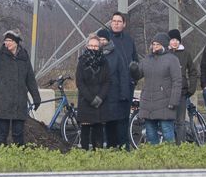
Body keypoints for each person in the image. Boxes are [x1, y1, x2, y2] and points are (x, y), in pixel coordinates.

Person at [0, 30, 41, 147]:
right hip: (2, 101)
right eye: (6, 40)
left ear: (16, 43)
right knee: (1, 135)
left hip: (19, 102)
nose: (7, 43)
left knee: (18, 135)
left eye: (10, 41)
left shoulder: (24, 57)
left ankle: (18, 161)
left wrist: (36, 96)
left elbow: (30, 78)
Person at [135, 33, 183, 145]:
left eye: (157, 44)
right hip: (148, 103)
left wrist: (173, 101)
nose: (154, 46)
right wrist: (133, 70)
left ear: (164, 45)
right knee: (150, 134)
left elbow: (177, 81)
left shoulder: (172, 59)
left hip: (165, 103)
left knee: (167, 132)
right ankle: (154, 158)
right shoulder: (147, 59)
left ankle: (170, 159)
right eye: (153, 44)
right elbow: (137, 75)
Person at [102, 11, 140, 149]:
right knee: (109, 119)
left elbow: (136, 60)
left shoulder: (129, 40)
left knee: (124, 118)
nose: (116, 23)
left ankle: (124, 147)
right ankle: (110, 147)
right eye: (114, 21)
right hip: (110, 87)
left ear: (124, 24)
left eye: (119, 21)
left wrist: (134, 79)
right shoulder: (105, 39)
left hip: (126, 86)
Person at [74, 31, 115, 151]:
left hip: (100, 102)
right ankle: (85, 155)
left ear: (99, 47)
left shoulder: (104, 62)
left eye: (96, 46)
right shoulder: (81, 61)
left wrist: (100, 98)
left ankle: (98, 156)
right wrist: (91, 99)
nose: (93, 48)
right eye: (91, 45)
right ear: (87, 46)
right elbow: (79, 82)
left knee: (98, 133)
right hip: (86, 101)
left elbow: (107, 81)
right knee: (85, 132)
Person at [168, 29, 202, 141]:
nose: (174, 42)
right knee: (168, 120)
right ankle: (169, 143)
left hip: (182, 92)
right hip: (167, 92)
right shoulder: (165, 54)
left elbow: (193, 72)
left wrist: (191, 88)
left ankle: (180, 145)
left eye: (176, 40)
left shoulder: (185, 54)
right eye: (172, 40)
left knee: (180, 121)